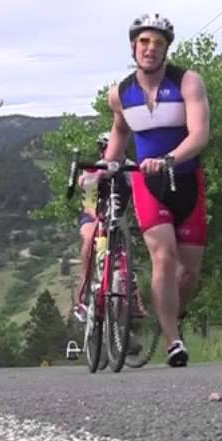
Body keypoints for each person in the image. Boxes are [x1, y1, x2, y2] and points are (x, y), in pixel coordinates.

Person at [102, 13, 210, 367]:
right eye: (144, 42)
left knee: (189, 272)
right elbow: (120, 132)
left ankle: (171, 313)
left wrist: (169, 159)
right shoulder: (120, 93)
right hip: (147, 184)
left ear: (166, 49)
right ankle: (172, 340)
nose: (150, 49)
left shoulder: (187, 82)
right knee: (164, 257)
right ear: (134, 47)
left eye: (158, 43)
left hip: (186, 179)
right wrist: (106, 166)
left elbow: (199, 134)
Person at [73, 131, 145, 325]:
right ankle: (82, 297)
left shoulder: (130, 167)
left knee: (128, 254)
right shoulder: (97, 167)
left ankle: (131, 300)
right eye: (105, 148)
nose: (110, 152)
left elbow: (142, 191)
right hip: (94, 215)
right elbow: (86, 189)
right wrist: (95, 176)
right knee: (89, 239)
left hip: (118, 219)